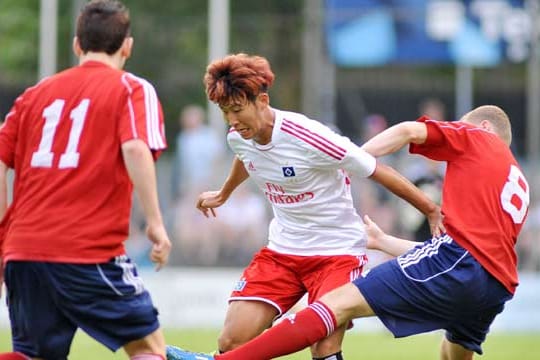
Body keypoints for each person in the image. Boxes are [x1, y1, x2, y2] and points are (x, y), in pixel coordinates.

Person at [167, 105, 530, 360]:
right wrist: (384, 241)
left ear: (482, 129)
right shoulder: (516, 181)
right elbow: (464, 253)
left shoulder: (477, 136)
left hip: (459, 264)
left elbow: (407, 131)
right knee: (454, 354)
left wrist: (352, 157)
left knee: (334, 306)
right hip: (496, 288)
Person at [168, 53, 442, 360]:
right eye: (224, 112)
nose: (232, 120)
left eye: (236, 109)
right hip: (282, 251)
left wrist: (430, 209)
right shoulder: (239, 136)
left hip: (336, 253)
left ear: (262, 100)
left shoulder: (309, 136)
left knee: (323, 347)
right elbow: (248, 156)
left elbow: (376, 170)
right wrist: (224, 192)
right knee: (233, 341)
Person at [0, 1, 171, 359]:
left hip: (24, 250)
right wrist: (155, 223)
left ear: (77, 45)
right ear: (128, 46)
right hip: (86, 250)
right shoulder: (131, 89)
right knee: (148, 346)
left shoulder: (33, 96)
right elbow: (137, 149)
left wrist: (5, 230)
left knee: (32, 354)